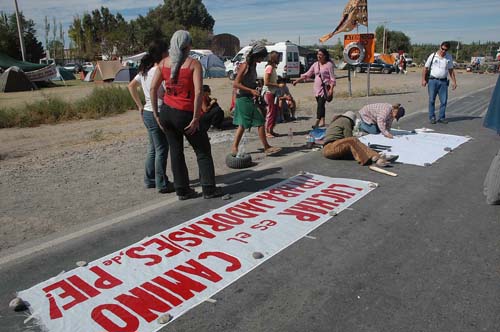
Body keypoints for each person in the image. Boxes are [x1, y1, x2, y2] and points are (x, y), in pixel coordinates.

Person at [150, 30, 222, 201]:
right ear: (188, 45)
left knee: (176, 151)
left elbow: (153, 89)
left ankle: (182, 190)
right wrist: (196, 117)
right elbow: (198, 92)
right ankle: (209, 188)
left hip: (167, 112)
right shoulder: (193, 64)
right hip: (185, 113)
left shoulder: (163, 63)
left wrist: (156, 114)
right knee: (202, 149)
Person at [127, 40, 174, 194]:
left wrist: (140, 106)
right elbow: (165, 91)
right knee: (162, 149)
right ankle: (162, 182)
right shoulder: (158, 70)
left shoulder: (144, 71)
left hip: (147, 112)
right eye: (167, 51)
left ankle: (150, 179)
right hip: (157, 111)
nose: (168, 53)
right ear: (162, 54)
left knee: (153, 148)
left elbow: (130, 86)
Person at [231, 42, 281, 156]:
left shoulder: (253, 65)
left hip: (248, 97)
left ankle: (234, 147)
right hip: (243, 98)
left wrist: (255, 86)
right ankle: (266, 147)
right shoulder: (245, 65)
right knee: (259, 121)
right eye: (262, 57)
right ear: (257, 55)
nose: (263, 59)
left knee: (243, 125)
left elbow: (249, 81)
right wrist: (251, 90)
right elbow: (236, 83)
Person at [322, 111, 397, 167]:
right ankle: (376, 158)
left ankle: (376, 156)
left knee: (355, 145)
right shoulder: (345, 120)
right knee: (353, 140)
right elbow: (348, 137)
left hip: (330, 148)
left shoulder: (338, 121)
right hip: (331, 147)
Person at [293, 48, 336, 128]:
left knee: (320, 105)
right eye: (318, 54)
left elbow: (332, 78)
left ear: (325, 56)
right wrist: (297, 80)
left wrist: (331, 89)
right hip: (317, 88)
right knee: (321, 105)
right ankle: (322, 121)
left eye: (320, 55)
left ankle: (317, 122)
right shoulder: (316, 64)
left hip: (325, 88)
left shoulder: (329, 64)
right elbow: (308, 74)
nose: (318, 56)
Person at [421, 41, 457, 124]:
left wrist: (454, 82)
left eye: (446, 50)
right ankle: (432, 117)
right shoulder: (433, 56)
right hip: (432, 81)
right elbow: (425, 68)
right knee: (431, 100)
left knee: (444, 101)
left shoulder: (449, 57)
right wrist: (423, 79)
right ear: (440, 47)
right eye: (442, 49)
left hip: (443, 82)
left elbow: (451, 70)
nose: (443, 51)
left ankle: (441, 117)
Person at [262, 51, 284, 137]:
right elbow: (266, 82)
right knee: (270, 112)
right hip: (269, 92)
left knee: (274, 111)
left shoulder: (273, 68)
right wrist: (278, 85)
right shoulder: (269, 68)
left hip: (273, 92)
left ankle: (271, 130)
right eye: (278, 57)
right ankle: (267, 131)